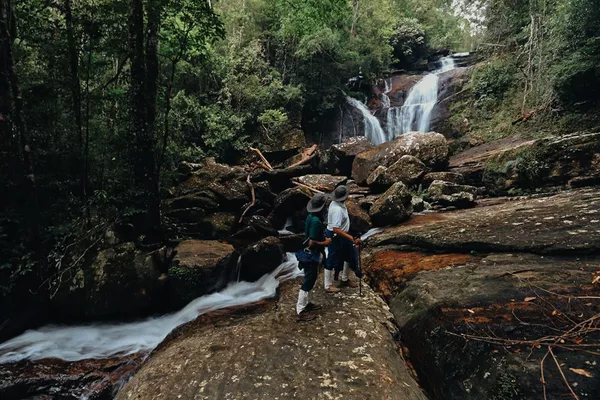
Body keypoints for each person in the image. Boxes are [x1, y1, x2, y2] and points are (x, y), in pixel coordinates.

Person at [296, 193, 331, 321]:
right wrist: (325, 243)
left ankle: (308, 303)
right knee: (308, 280)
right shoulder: (316, 221)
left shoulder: (311, 217)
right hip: (312, 254)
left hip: (310, 253)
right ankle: (301, 310)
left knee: (312, 278)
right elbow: (311, 242)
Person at [324, 185, 362, 291]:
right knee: (332, 259)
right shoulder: (337, 210)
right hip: (336, 236)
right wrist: (351, 238)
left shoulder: (338, 204)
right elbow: (336, 229)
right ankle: (327, 285)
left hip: (343, 235)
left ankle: (344, 279)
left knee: (349, 255)